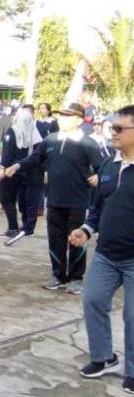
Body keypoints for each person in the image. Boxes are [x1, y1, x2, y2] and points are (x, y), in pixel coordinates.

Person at [5, 102, 104, 295]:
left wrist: (98, 176)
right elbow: (34, 158)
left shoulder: (88, 143)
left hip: (78, 201)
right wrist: (16, 166)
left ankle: (76, 278)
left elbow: (102, 167)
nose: (63, 119)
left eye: (68, 116)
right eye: (61, 115)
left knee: (75, 241)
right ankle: (58, 275)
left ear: (79, 119)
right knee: (55, 240)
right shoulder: (50, 140)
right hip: (54, 200)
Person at [69, 105, 134, 394]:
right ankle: (104, 357)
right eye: (112, 128)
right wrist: (85, 230)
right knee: (93, 301)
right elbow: (96, 209)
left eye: (119, 129)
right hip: (106, 254)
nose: (113, 133)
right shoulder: (109, 165)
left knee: (133, 316)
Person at [0, 108, 45, 246]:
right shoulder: (34, 133)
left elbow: (7, 152)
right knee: (20, 201)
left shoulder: (13, 131)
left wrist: (2, 167)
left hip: (11, 170)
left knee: (6, 199)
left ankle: (13, 227)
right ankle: (21, 227)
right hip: (24, 171)